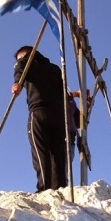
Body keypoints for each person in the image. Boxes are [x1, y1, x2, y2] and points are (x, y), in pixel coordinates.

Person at [12, 45, 71, 192]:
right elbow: (63, 91)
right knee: (58, 153)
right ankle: (60, 189)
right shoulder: (55, 69)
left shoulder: (24, 61)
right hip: (59, 115)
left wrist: (17, 83)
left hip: (38, 111)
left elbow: (19, 71)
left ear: (24, 55)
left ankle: (44, 189)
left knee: (40, 152)